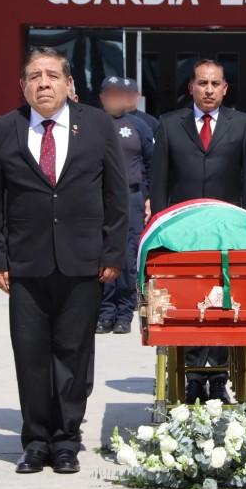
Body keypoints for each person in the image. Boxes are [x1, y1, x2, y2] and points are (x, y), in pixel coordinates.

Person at [0, 47, 128, 475]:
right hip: (25, 264)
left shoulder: (96, 124)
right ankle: (35, 441)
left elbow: (116, 194)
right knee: (30, 354)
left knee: (73, 353)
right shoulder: (4, 128)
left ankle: (65, 440)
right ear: (22, 85)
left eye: (51, 75)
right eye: (34, 76)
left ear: (68, 83)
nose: (43, 83)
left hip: (83, 261)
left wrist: (113, 251)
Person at [151, 59, 246, 405]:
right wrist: (159, 228)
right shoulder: (169, 124)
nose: (209, 90)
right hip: (182, 232)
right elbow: (159, 181)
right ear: (191, 88)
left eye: (215, 84)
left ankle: (220, 378)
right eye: (202, 83)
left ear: (225, 89)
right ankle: (193, 376)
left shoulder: (243, 124)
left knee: (223, 303)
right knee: (188, 302)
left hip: (229, 231)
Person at [96, 77, 154, 335]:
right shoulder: (93, 124)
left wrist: (150, 197)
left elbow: (152, 163)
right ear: (102, 97)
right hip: (100, 199)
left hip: (132, 198)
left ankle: (124, 312)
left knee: (128, 256)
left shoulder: (140, 126)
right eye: (109, 93)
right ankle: (105, 311)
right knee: (102, 254)